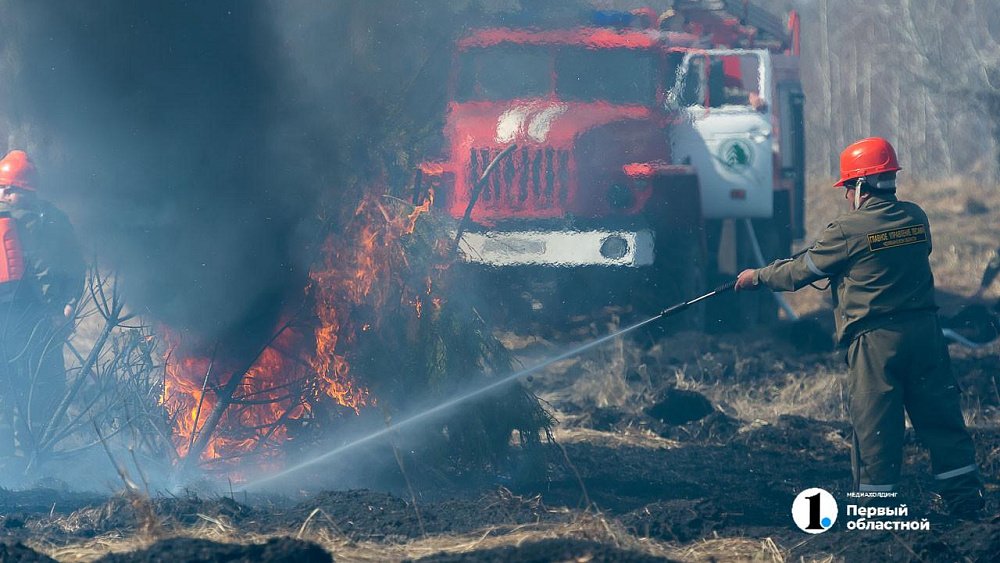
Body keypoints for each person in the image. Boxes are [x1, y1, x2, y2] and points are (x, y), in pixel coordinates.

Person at [734, 137, 985, 518]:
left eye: (847, 187)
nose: (846, 195)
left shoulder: (846, 230)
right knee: (942, 421)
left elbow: (802, 271)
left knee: (876, 430)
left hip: (876, 343)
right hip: (927, 334)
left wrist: (756, 277)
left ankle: (878, 513)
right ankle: (966, 500)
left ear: (859, 186)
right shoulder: (916, 217)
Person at [0, 149, 86, 462]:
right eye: (5, 189)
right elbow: (55, 270)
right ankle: (20, 465)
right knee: (22, 391)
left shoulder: (46, 220)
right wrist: (59, 309)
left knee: (32, 391)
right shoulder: (34, 218)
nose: (6, 195)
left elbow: (69, 268)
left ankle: (26, 463)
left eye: (12, 190)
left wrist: (66, 306)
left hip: (32, 321)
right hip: (23, 320)